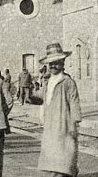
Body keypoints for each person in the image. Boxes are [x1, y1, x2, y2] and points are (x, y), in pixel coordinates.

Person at [35, 43, 81, 177]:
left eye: (56, 63)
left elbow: (74, 102)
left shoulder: (67, 82)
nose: (53, 66)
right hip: (50, 124)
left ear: (62, 63)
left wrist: (74, 123)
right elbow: (43, 96)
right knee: (52, 156)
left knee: (64, 155)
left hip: (63, 124)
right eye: (50, 64)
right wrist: (31, 97)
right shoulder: (49, 81)